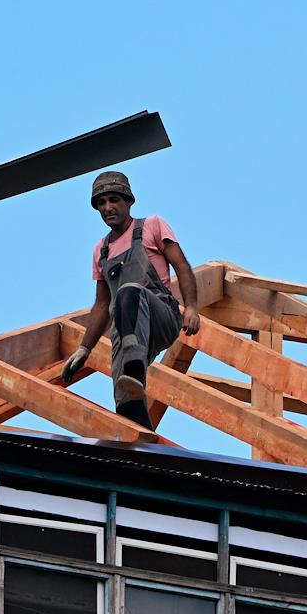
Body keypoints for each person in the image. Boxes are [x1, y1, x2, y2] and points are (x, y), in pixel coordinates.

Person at [62, 171, 200, 429]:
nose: (107, 208)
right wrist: (84, 349)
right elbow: (102, 305)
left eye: (114, 200)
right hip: (126, 330)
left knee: (128, 291)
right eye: (101, 203)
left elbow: (181, 266)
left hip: (160, 315)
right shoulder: (101, 251)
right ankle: (145, 449)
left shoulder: (152, 226)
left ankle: (134, 368)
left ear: (128, 201)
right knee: (125, 399)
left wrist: (191, 307)